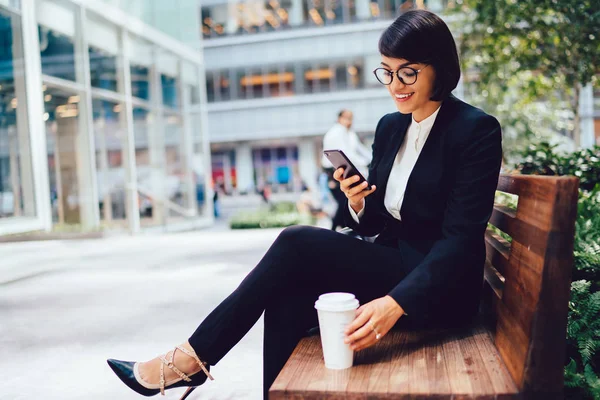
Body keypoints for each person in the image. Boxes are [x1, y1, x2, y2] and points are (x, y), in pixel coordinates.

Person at [107, 10, 502, 400]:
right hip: (395, 262)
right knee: (287, 293)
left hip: (440, 289)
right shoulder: (391, 126)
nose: (395, 84)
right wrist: (360, 204)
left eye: (408, 72)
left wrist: (394, 303)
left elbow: (460, 240)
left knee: (297, 242)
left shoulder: (474, 131)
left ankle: (191, 360)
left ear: (440, 67)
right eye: (386, 71)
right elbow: (381, 223)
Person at [321, 109, 372, 231]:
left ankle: (341, 228)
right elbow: (347, 153)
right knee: (344, 201)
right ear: (339, 118)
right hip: (333, 171)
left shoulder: (350, 133)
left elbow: (360, 150)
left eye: (351, 118)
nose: (349, 121)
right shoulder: (337, 132)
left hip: (346, 169)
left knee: (346, 201)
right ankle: (337, 228)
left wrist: (373, 159)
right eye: (346, 118)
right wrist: (364, 162)